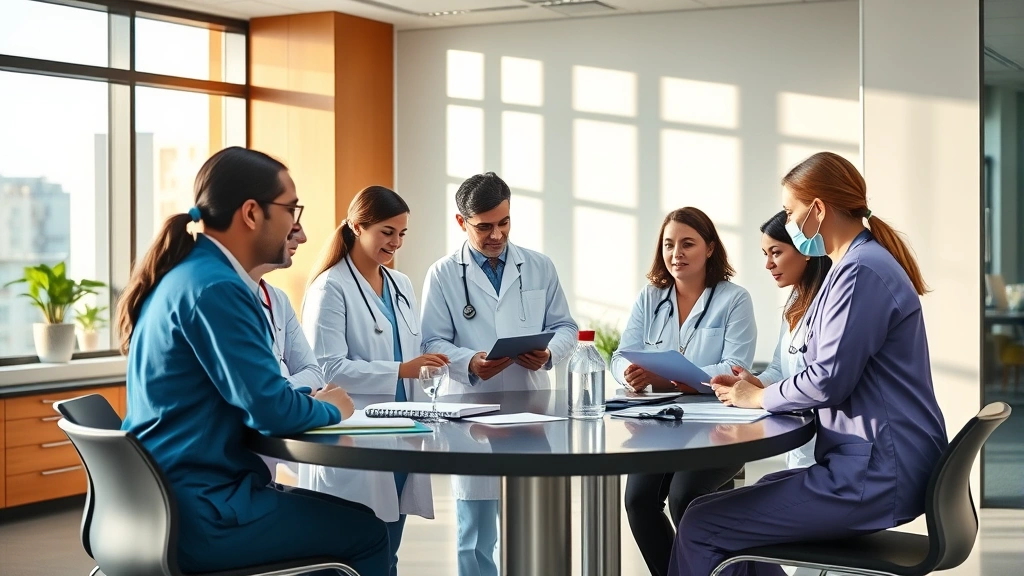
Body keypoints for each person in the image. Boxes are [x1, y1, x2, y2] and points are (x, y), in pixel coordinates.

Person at [673, 152, 948, 576]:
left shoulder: (860, 272)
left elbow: (825, 383)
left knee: (701, 523)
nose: (787, 219)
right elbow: (820, 369)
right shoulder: (852, 267)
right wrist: (761, 387)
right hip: (870, 462)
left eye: (790, 211)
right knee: (729, 505)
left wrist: (757, 395)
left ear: (817, 209)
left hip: (874, 474)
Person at [117, 147, 389, 575]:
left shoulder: (189, 275)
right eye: (290, 209)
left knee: (348, 518)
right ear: (250, 213)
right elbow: (271, 411)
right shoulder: (219, 289)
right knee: (370, 533)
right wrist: (332, 407)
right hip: (204, 514)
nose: (297, 227)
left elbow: (250, 394)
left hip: (164, 506)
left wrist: (297, 396)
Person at [420, 172, 578, 576]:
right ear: (461, 222)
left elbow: (566, 327)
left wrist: (547, 354)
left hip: (531, 405)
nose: (496, 234)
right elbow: (431, 342)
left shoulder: (539, 266)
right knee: (474, 534)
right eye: (484, 226)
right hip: (472, 410)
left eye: (504, 222)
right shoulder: (441, 274)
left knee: (535, 525)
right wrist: (470, 361)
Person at [301, 185, 445, 576]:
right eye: (386, 232)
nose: (395, 242)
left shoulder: (401, 286)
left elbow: (411, 349)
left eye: (402, 234)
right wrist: (402, 369)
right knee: (357, 557)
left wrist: (431, 365)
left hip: (402, 432)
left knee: (389, 552)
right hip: (356, 436)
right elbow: (327, 369)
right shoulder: (329, 288)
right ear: (357, 227)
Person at [610, 206, 757, 576]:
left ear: (709, 248)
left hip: (720, 425)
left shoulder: (734, 299)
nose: (676, 254)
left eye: (688, 244)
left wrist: (675, 379)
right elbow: (620, 354)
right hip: (661, 425)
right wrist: (630, 374)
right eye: (669, 244)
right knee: (638, 500)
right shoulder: (650, 297)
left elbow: (735, 368)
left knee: (684, 498)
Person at [749, 209, 831, 469]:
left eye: (776, 252)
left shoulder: (830, 301)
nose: (768, 264)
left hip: (825, 448)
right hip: (799, 446)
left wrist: (756, 397)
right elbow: (779, 369)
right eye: (766, 255)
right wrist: (754, 382)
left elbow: (822, 379)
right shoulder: (796, 300)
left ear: (805, 250)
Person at [248, 222, 326, 483]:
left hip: (262, 467)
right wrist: (329, 408)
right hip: (222, 485)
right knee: (362, 521)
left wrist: (280, 389)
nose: (302, 237)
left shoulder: (276, 299)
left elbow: (315, 373)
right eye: (290, 219)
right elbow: (258, 400)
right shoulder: (221, 297)